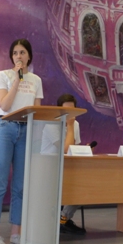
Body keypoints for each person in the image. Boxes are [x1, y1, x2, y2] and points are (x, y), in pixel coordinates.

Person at [0, 38, 43, 244]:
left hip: (26, 130)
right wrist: (17, 80)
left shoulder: (36, 80)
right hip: (6, 128)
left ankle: (15, 233)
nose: (19, 56)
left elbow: (37, 110)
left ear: (29, 55)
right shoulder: (4, 75)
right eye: (15, 53)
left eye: (22, 52)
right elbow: (5, 105)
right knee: (0, 182)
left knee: (20, 185)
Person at [45, 93, 89, 235]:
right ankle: (59, 220)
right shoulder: (51, 124)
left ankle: (63, 219)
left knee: (84, 185)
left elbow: (73, 149)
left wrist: (85, 150)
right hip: (49, 167)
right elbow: (65, 150)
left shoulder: (76, 124)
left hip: (67, 166)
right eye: (66, 110)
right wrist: (69, 126)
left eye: (72, 110)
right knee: (71, 185)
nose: (70, 114)